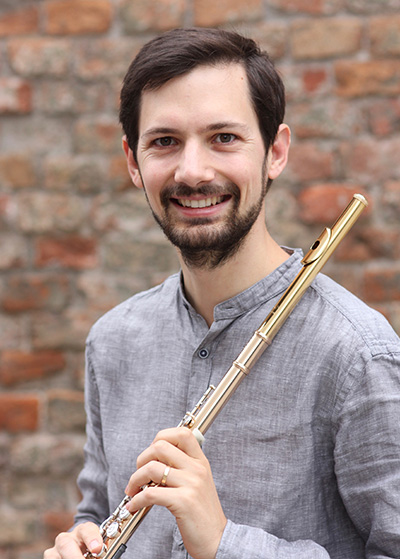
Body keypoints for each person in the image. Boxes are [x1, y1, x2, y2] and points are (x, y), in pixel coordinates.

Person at [44, 27, 400, 559]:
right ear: (133, 161)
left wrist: (223, 542)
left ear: (275, 152)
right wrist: (83, 538)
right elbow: (96, 510)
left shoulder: (357, 354)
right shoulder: (113, 340)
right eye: (165, 141)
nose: (192, 171)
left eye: (224, 138)